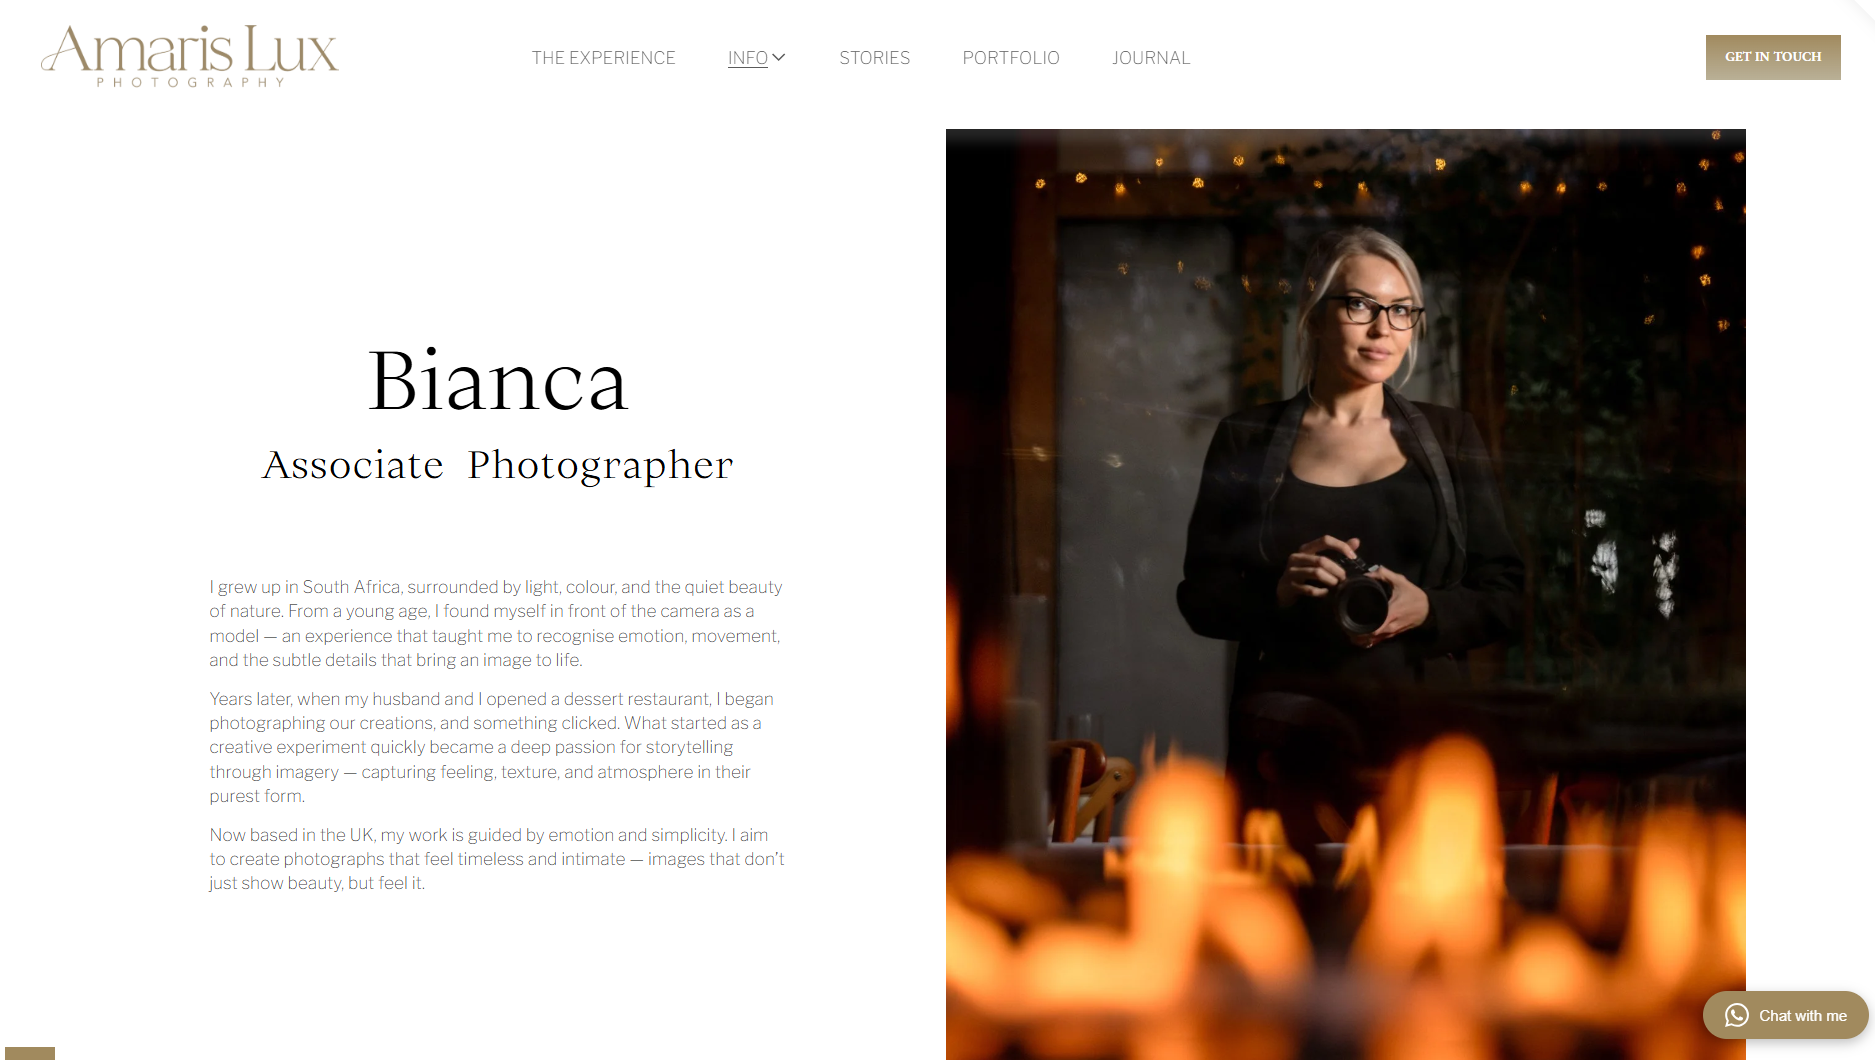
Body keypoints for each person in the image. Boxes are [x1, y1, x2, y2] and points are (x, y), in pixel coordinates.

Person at [1175, 226, 1524, 839]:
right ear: (1314, 314)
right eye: (1360, 305)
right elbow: (1199, 598)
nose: (1383, 329)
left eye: (1401, 310)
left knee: (1427, 900)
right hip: (1285, 744)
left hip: (1423, 745)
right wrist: (1280, 590)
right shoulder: (1247, 439)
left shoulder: (1451, 437)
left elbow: (1507, 594)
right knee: (1284, 899)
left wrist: (1428, 608)